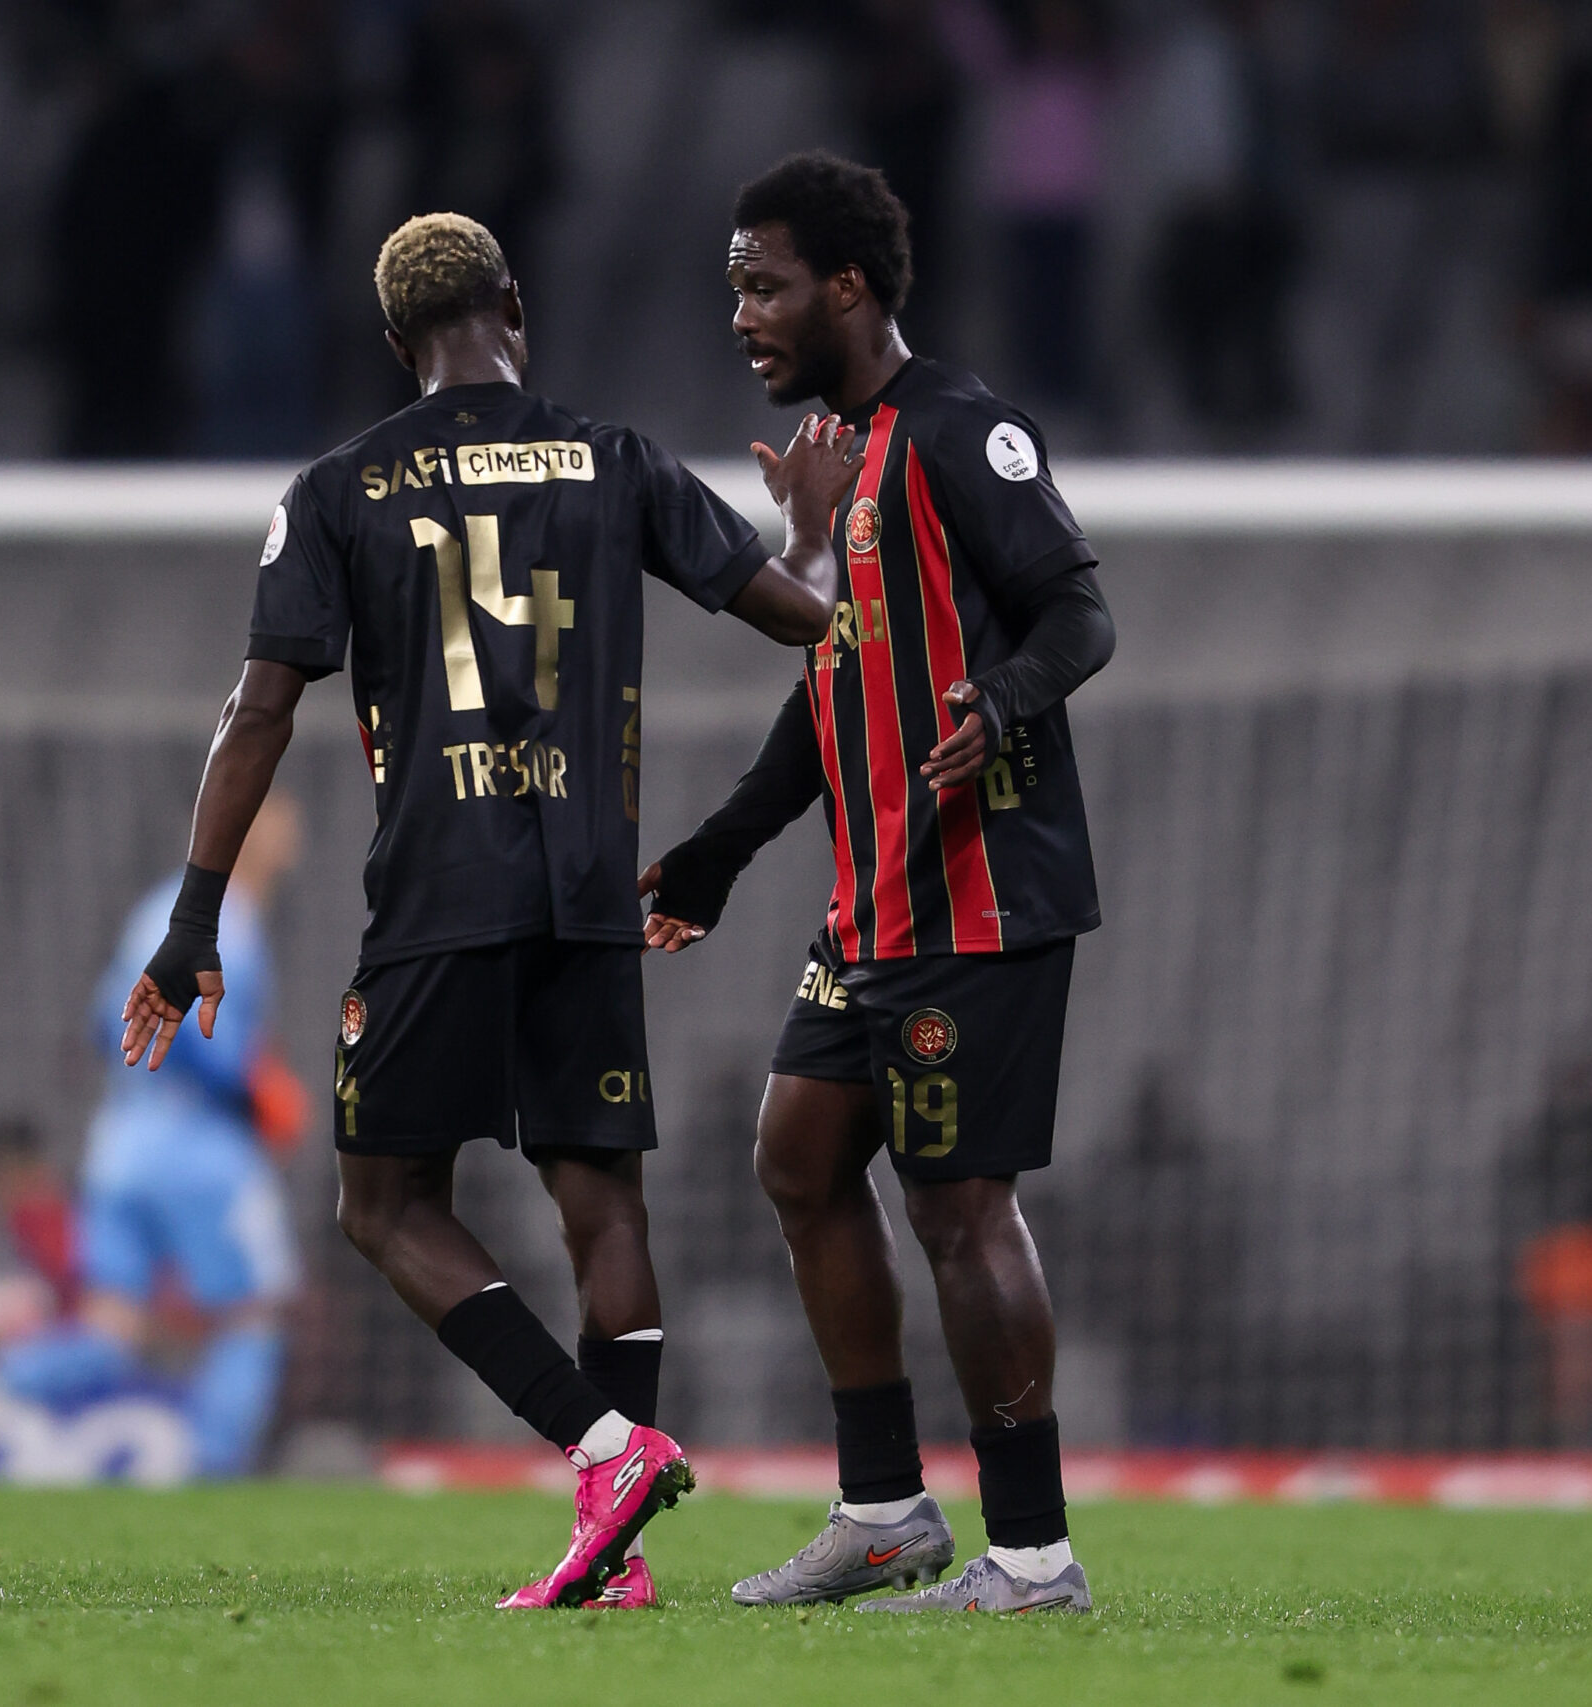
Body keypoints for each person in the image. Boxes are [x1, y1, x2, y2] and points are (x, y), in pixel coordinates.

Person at [117, 211, 862, 1608]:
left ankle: (605, 1451)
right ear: (514, 303)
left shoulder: (340, 487)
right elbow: (803, 616)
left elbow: (259, 708)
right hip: (588, 889)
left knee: (382, 1200)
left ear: (394, 342)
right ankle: (619, 1543)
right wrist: (814, 523)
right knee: (601, 1198)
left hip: (439, 889)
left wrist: (193, 916)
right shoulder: (615, 458)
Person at [642, 152, 1115, 1614]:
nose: (742, 314)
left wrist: (1002, 700)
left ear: (846, 285)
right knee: (797, 1155)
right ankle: (886, 1511)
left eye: (764, 285)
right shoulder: (838, 462)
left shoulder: (962, 431)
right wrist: (721, 848)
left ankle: (1031, 1554)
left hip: (981, 890)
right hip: (876, 900)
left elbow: (1079, 613)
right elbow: (831, 693)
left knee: (960, 1209)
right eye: (734, 287)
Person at [0, 793, 309, 1479]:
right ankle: (210, 1470)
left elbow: (108, 1018)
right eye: (274, 819)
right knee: (252, 1315)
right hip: (200, 1151)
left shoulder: (159, 908)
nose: (291, 833)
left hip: (122, 1146)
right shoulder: (230, 919)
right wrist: (257, 1088)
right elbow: (202, 1034)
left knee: (111, 1330)